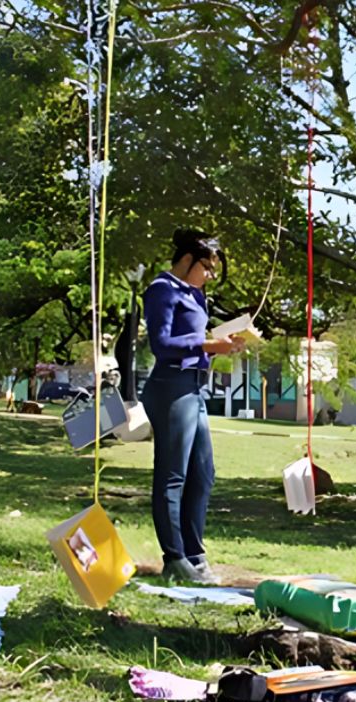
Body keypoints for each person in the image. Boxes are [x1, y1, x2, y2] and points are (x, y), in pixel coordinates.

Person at [142, 229, 244, 584]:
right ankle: (174, 559)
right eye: (207, 267)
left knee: (203, 474)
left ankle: (195, 554)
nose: (210, 275)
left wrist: (223, 344)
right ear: (187, 259)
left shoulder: (196, 296)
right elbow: (162, 343)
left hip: (195, 389)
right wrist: (208, 344)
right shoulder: (162, 289)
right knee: (172, 475)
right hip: (170, 386)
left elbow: (200, 343)